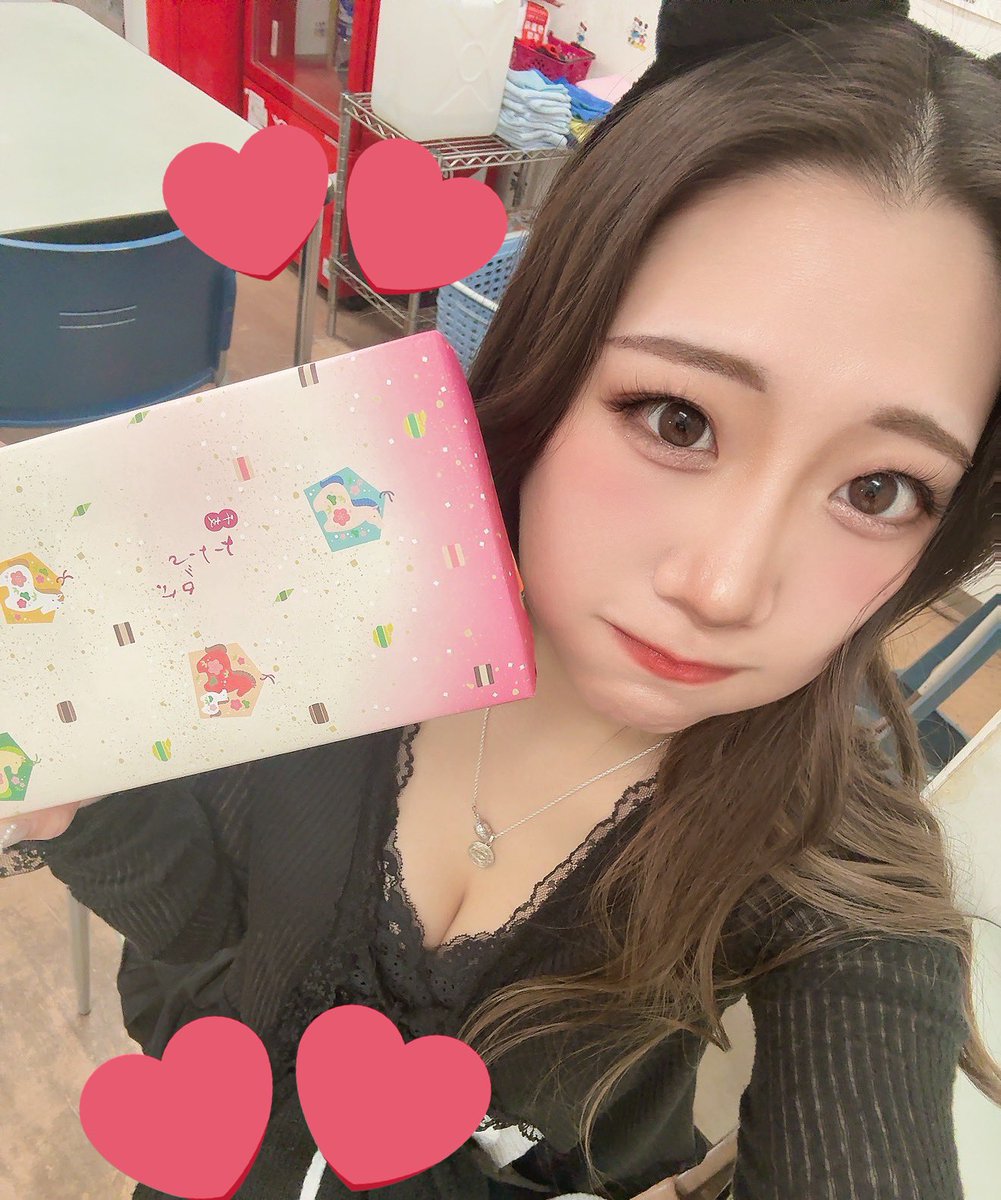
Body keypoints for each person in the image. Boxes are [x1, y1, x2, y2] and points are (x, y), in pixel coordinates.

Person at [3, 6, 1000, 1199]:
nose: (723, 586)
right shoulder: (325, 591)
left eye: (878, 490)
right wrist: (78, 807)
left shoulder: (833, 879)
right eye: (676, 418)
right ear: (552, 358)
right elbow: (214, 953)